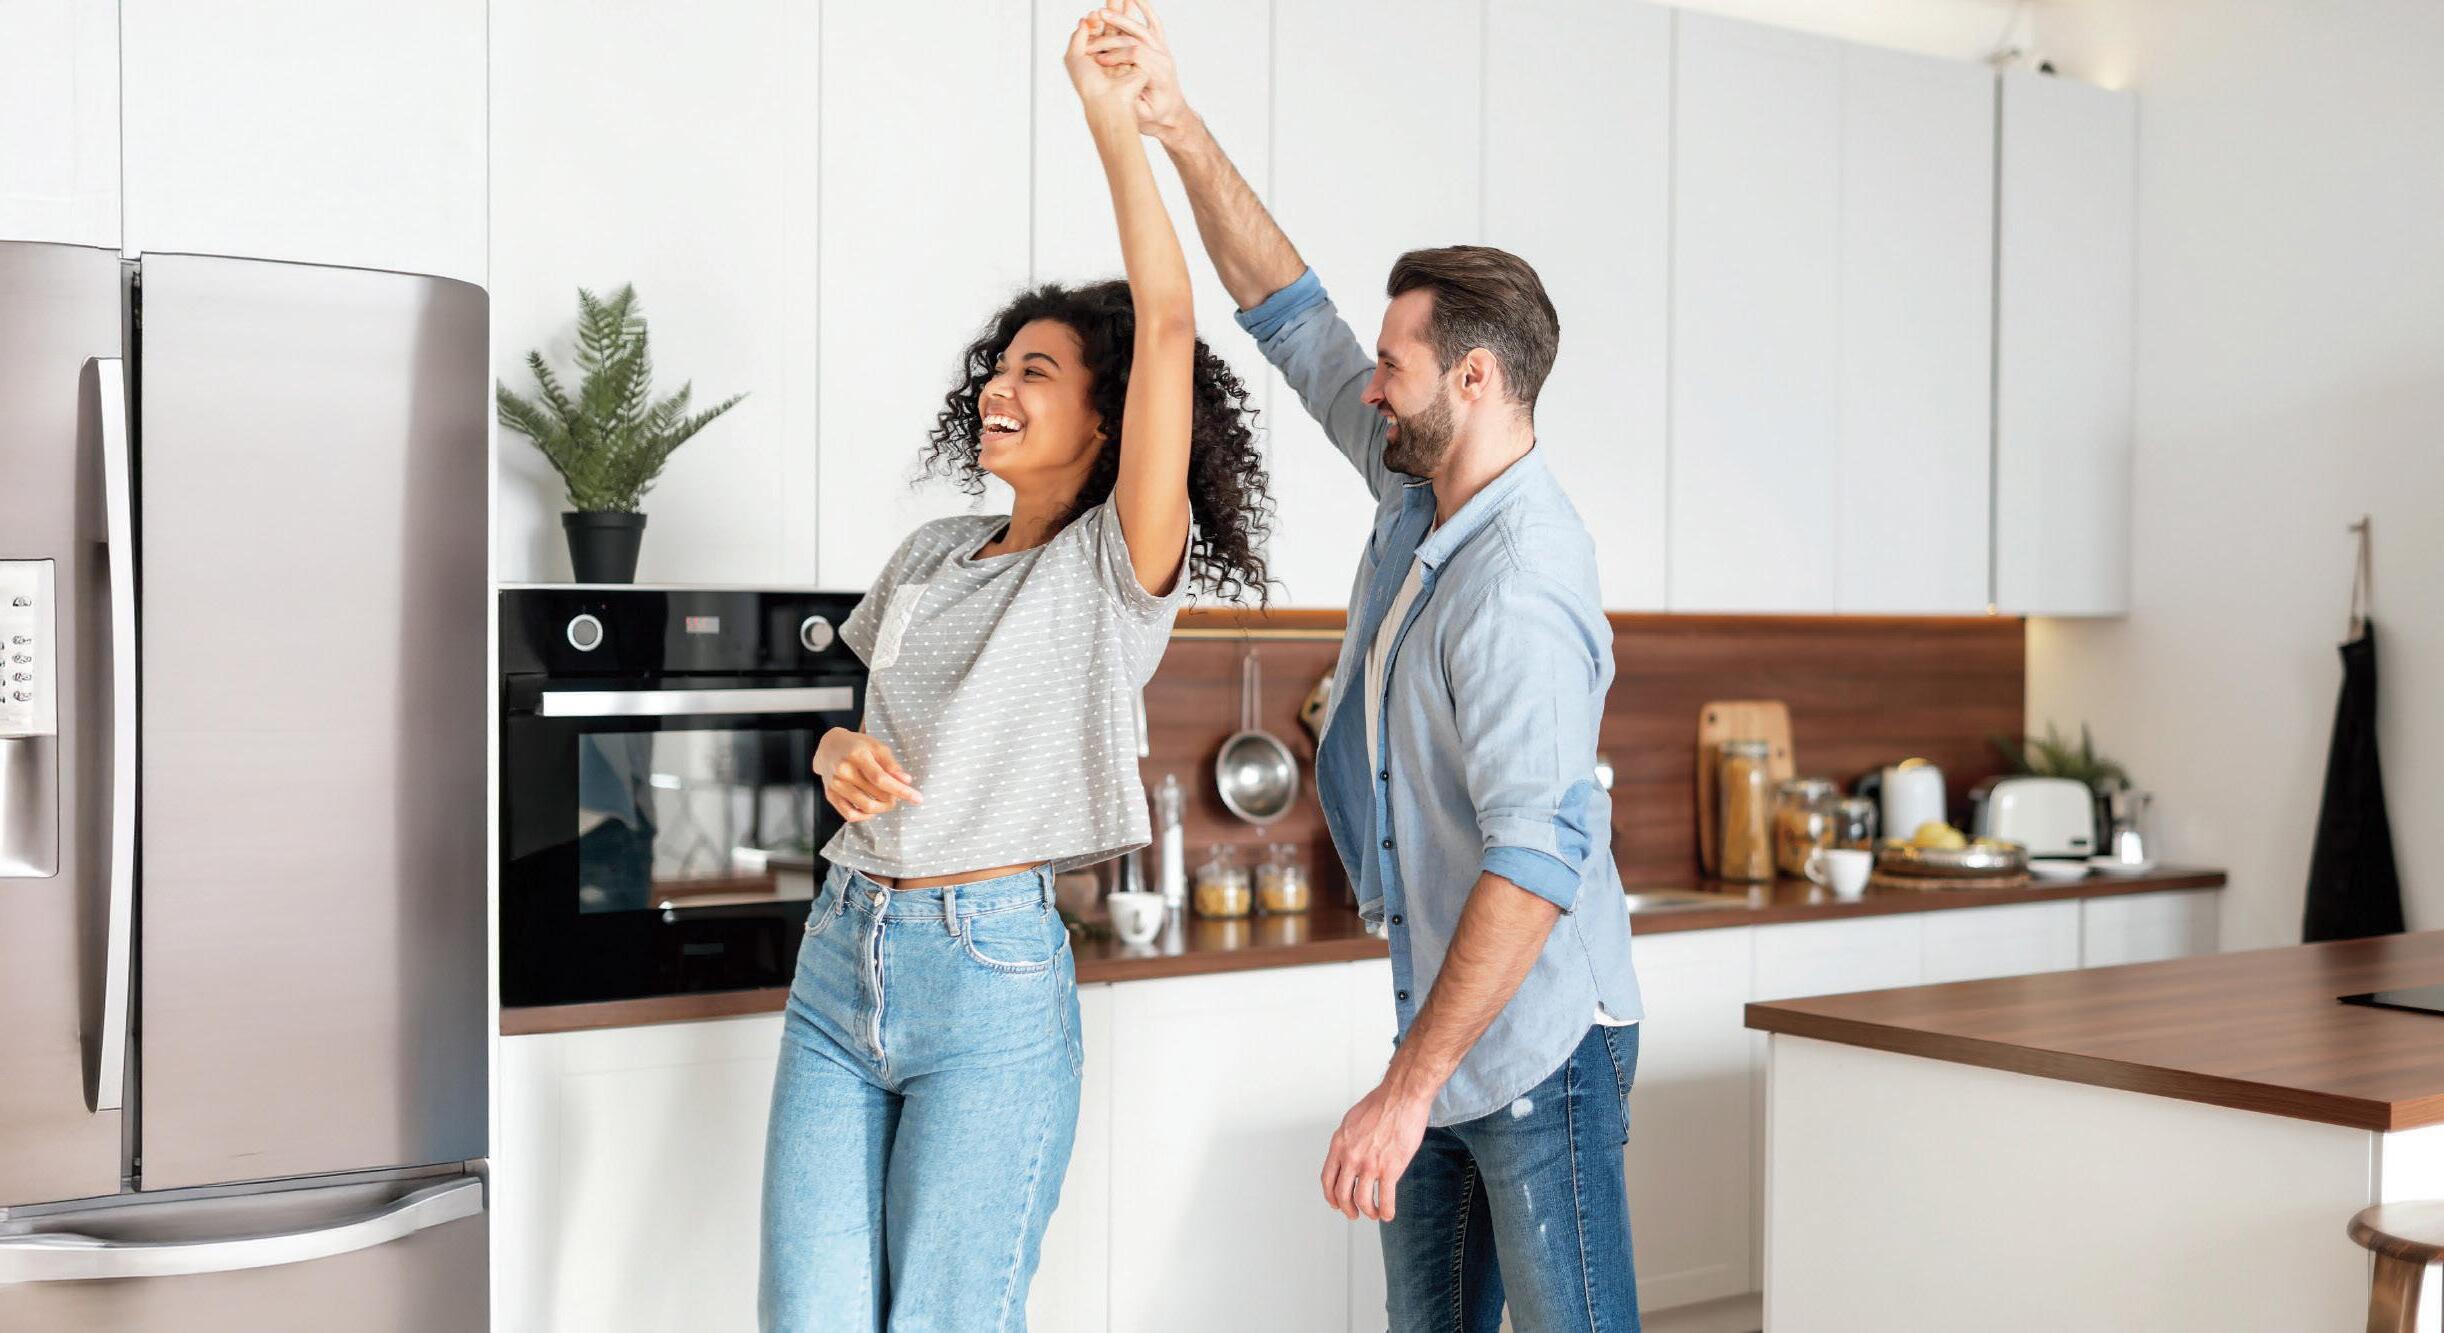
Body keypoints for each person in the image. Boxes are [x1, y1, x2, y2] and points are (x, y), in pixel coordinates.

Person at [1082, 7, 1646, 1329]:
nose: (1371, 387)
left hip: (1538, 1046)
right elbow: (1290, 314)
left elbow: (1535, 862)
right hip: (1443, 1023)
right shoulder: (1418, 482)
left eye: (1396, 368)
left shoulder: (1520, 584)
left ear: (1477, 378)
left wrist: (1405, 1090)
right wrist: (1172, 122)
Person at [757, 13, 1270, 1330]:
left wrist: (1114, 123)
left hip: (987, 980)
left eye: (1037, 370)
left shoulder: (1115, 566)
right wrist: (833, 752)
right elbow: (856, 728)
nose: (999, 382)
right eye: (997, 364)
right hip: (841, 952)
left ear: (1107, 417)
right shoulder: (930, 554)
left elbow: (1168, 323)